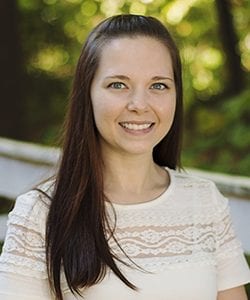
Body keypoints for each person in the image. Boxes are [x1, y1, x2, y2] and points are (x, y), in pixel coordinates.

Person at [0, 14, 249, 300]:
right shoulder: (40, 214)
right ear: (87, 94)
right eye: (118, 84)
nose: (139, 104)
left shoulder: (205, 202)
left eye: (158, 85)